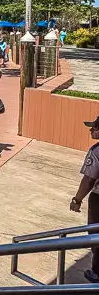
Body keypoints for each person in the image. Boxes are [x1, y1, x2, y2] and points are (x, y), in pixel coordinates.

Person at [70, 116, 99, 284]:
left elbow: (88, 180)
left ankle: (97, 272)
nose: (91, 130)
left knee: (96, 234)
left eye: (94, 127)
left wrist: (77, 200)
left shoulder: (96, 151)